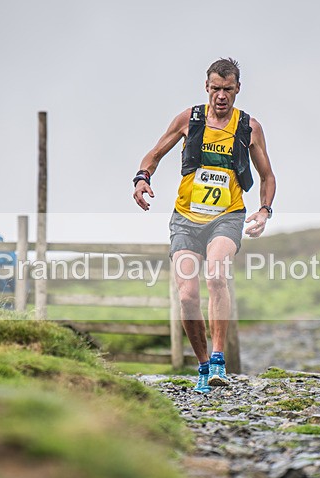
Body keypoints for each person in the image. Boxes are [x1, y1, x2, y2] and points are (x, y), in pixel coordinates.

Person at [132, 58, 277, 392]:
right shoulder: (189, 119)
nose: (221, 96)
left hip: (227, 216)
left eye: (228, 89)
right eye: (215, 89)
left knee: (215, 275)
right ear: (206, 88)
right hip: (185, 219)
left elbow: (268, 176)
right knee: (186, 296)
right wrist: (142, 178)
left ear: (238, 89)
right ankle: (201, 366)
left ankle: (218, 360)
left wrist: (265, 210)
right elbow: (154, 154)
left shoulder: (249, 128)